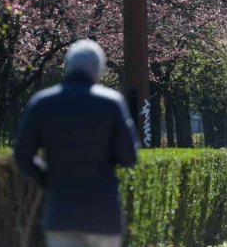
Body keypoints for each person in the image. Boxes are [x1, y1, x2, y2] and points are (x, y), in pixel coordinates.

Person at [14, 40, 140, 247]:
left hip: (61, 212)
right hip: (103, 213)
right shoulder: (112, 103)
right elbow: (129, 157)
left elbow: (22, 155)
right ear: (98, 69)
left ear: (67, 66)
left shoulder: (42, 103)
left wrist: (47, 179)